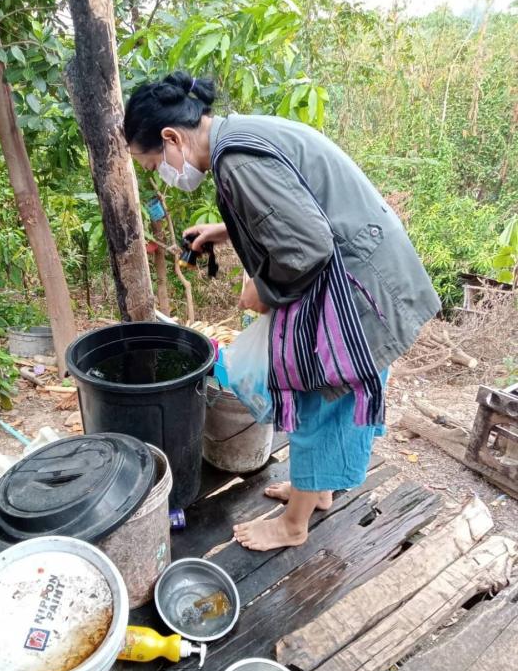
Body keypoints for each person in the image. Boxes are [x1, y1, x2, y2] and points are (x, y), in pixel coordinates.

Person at [123, 71, 440, 552]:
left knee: (321, 393)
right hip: (359, 269)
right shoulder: (237, 136)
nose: (159, 173)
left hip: (358, 285)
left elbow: (308, 246)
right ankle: (317, 490)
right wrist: (223, 230)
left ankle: (293, 524)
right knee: (334, 396)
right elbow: (295, 204)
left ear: (171, 138)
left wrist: (264, 290)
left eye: (152, 163)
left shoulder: (236, 160)